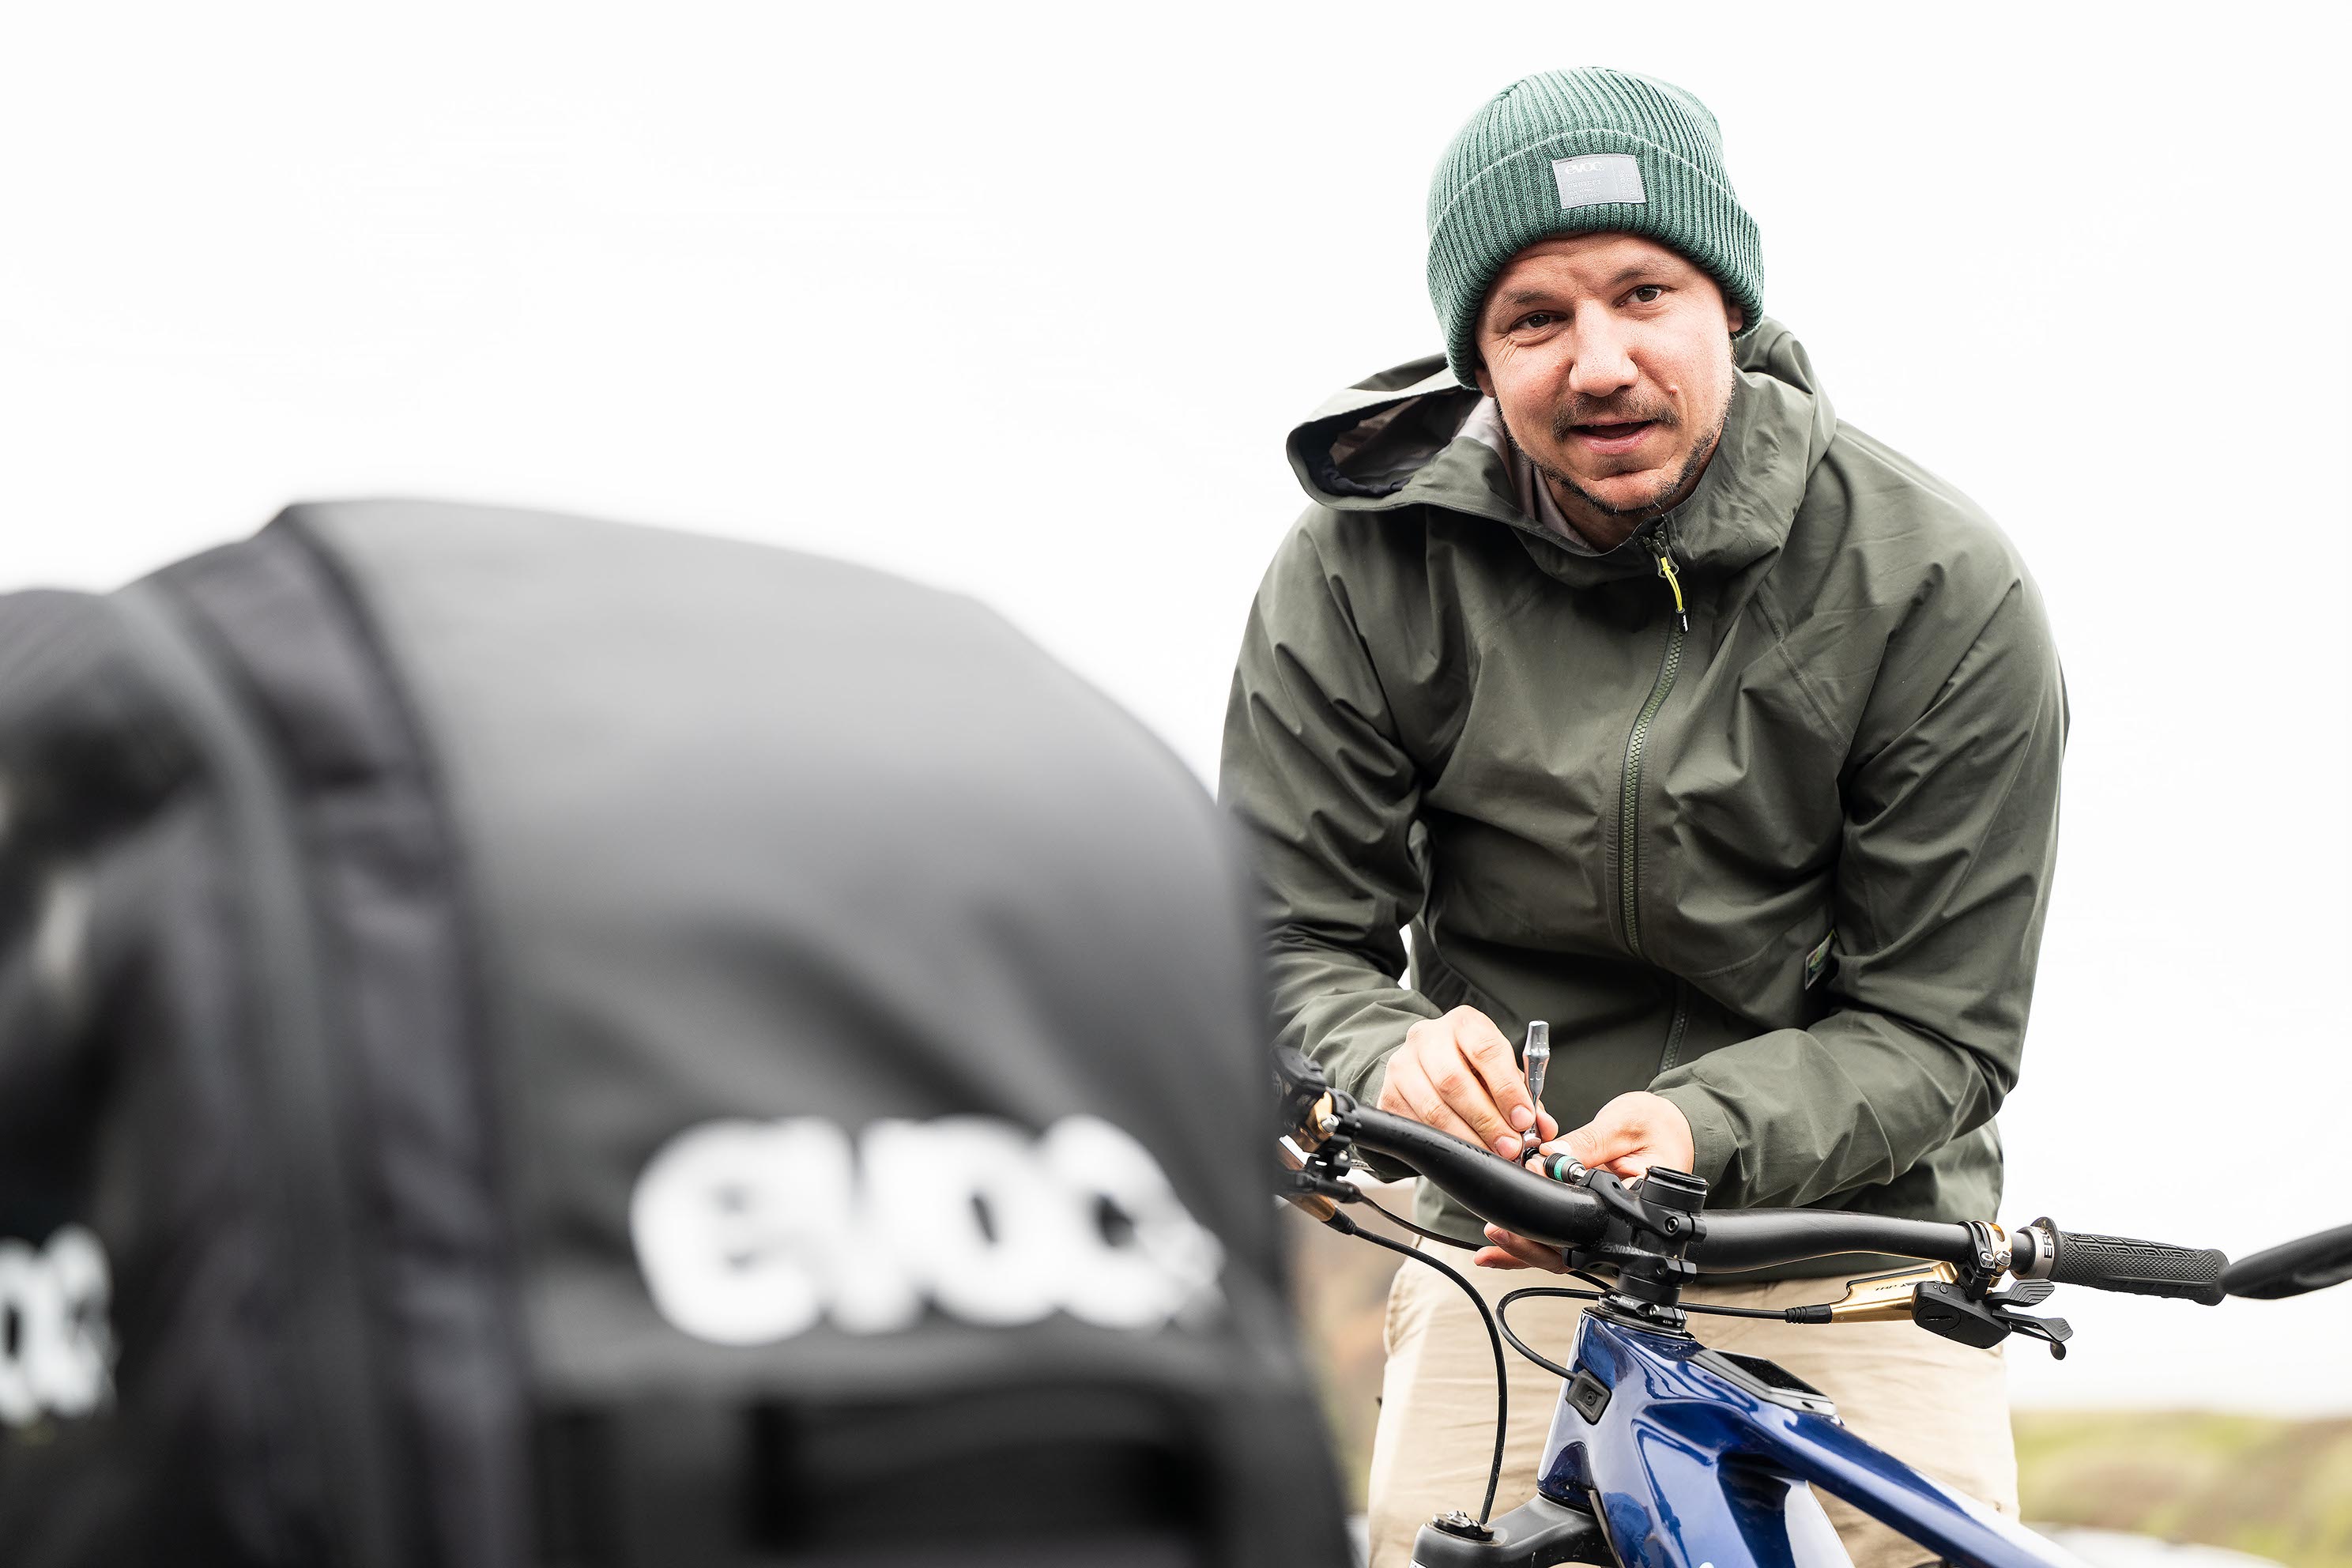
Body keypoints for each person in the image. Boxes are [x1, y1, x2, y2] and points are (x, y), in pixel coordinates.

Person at [1220, 67, 2064, 1568]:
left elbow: (1942, 1030)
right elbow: (1283, 938)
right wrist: (1389, 1060)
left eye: (1644, 293)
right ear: (1474, 357)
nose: (1598, 361)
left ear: (1725, 305)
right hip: (1506, 1252)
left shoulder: (1941, 584)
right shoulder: (1358, 566)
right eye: (1533, 318)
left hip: (1855, 1269)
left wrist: (1691, 1133)